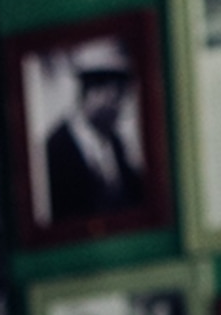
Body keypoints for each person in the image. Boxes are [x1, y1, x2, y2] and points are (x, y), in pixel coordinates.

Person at [42, 41, 147, 226]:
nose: (119, 105)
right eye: (113, 93)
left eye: (122, 93)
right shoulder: (55, 148)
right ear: (89, 90)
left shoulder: (117, 143)